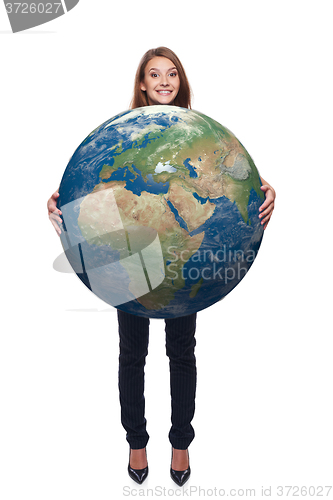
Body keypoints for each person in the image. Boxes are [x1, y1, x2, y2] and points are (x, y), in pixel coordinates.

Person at [47, 47, 276, 486]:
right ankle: (136, 443)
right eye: (155, 75)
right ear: (142, 84)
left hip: (184, 266)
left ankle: (181, 443)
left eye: (171, 74)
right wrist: (58, 206)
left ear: (180, 81)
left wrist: (268, 194)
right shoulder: (122, 134)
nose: (164, 81)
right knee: (133, 355)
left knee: (181, 354)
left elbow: (247, 183)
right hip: (129, 257)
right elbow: (90, 185)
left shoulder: (202, 138)